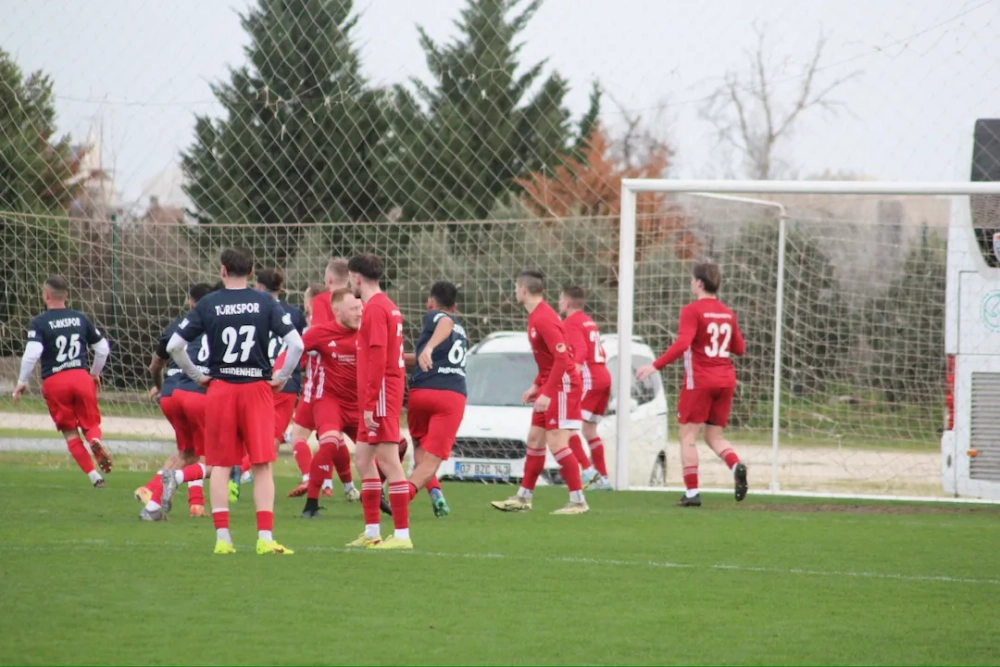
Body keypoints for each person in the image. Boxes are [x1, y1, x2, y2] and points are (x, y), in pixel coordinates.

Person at [164, 247, 304, 555]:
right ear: (252, 272)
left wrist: (197, 375)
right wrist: (282, 376)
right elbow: (296, 344)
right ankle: (264, 538)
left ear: (223, 271)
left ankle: (223, 540)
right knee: (262, 465)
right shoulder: (266, 302)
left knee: (220, 465)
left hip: (221, 388)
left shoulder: (209, 303)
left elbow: (174, 346)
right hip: (256, 388)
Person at [637, 262, 749, 507]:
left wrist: (655, 365)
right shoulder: (727, 313)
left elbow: (682, 344)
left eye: (691, 279)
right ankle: (735, 466)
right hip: (726, 380)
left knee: (688, 435)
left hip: (699, 380)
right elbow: (740, 348)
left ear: (699, 283)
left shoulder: (692, 310)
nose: (690, 283)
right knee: (714, 435)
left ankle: (691, 493)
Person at [492, 270, 588, 515]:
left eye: (516, 288)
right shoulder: (536, 315)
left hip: (563, 385)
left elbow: (562, 358)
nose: (515, 292)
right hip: (550, 384)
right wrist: (537, 385)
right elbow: (547, 359)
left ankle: (578, 501)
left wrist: (548, 392)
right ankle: (523, 498)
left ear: (524, 290)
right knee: (535, 439)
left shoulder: (544, 317)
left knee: (557, 443)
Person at [13, 275, 111, 487]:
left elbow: (32, 353)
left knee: (70, 432)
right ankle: (94, 440)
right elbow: (102, 348)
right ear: (66, 295)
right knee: (91, 424)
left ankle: (94, 477)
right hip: (80, 376)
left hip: (55, 382)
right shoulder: (80, 318)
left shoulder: (39, 322)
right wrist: (94, 373)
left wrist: (22, 381)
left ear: (46, 295)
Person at [346, 253, 411, 549]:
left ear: (358, 278)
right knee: (362, 459)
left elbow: (377, 358)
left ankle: (402, 535)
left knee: (388, 461)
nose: (351, 284)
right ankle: (372, 532)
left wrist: (371, 403)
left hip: (381, 392)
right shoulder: (387, 306)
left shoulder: (374, 309)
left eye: (351, 278)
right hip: (378, 392)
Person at [137, 282, 214, 520]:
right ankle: (164, 490)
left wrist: (160, 387)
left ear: (190, 303)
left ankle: (153, 503)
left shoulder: (177, 326)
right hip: (199, 394)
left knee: (186, 454)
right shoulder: (218, 325)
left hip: (171, 394)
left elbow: (154, 366)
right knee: (215, 461)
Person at [288, 263, 358, 500]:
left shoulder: (321, 302)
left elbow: (316, 339)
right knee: (333, 438)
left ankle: (311, 479)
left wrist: (286, 370)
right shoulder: (358, 304)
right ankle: (346, 486)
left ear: (328, 280)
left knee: (300, 436)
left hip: (320, 383)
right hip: (350, 386)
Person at [402, 281, 466, 518]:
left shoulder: (435, 317)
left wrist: (428, 348)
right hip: (451, 396)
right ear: (455, 307)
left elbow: (443, 322)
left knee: (420, 446)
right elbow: (446, 322)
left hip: (422, 393)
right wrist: (422, 351)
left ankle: (435, 491)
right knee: (433, 459)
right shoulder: (459, 328)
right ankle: (403, 495)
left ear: (431, 302)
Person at [299, 287, 363, 518]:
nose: (359, 312)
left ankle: (375, 494)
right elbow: (294, 351)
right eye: (353, 309)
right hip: (329, 401)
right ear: (337, 311)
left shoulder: (368, 332)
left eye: (359, 308)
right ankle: (311, 505)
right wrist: (278, 374)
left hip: (359, 405)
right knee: (329, 443)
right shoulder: (320, 333)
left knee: (394, 448)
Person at [559, 285, 613, 491]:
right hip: (603, 376)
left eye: (561, 299)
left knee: (566, 426)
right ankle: (603, 479)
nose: (559, 303)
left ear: (567, 302)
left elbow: (580, 349)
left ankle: (589, 472)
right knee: (589, 429)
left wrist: (575, 369)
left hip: (589, 378)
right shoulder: (588, 321)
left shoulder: (571, 322)